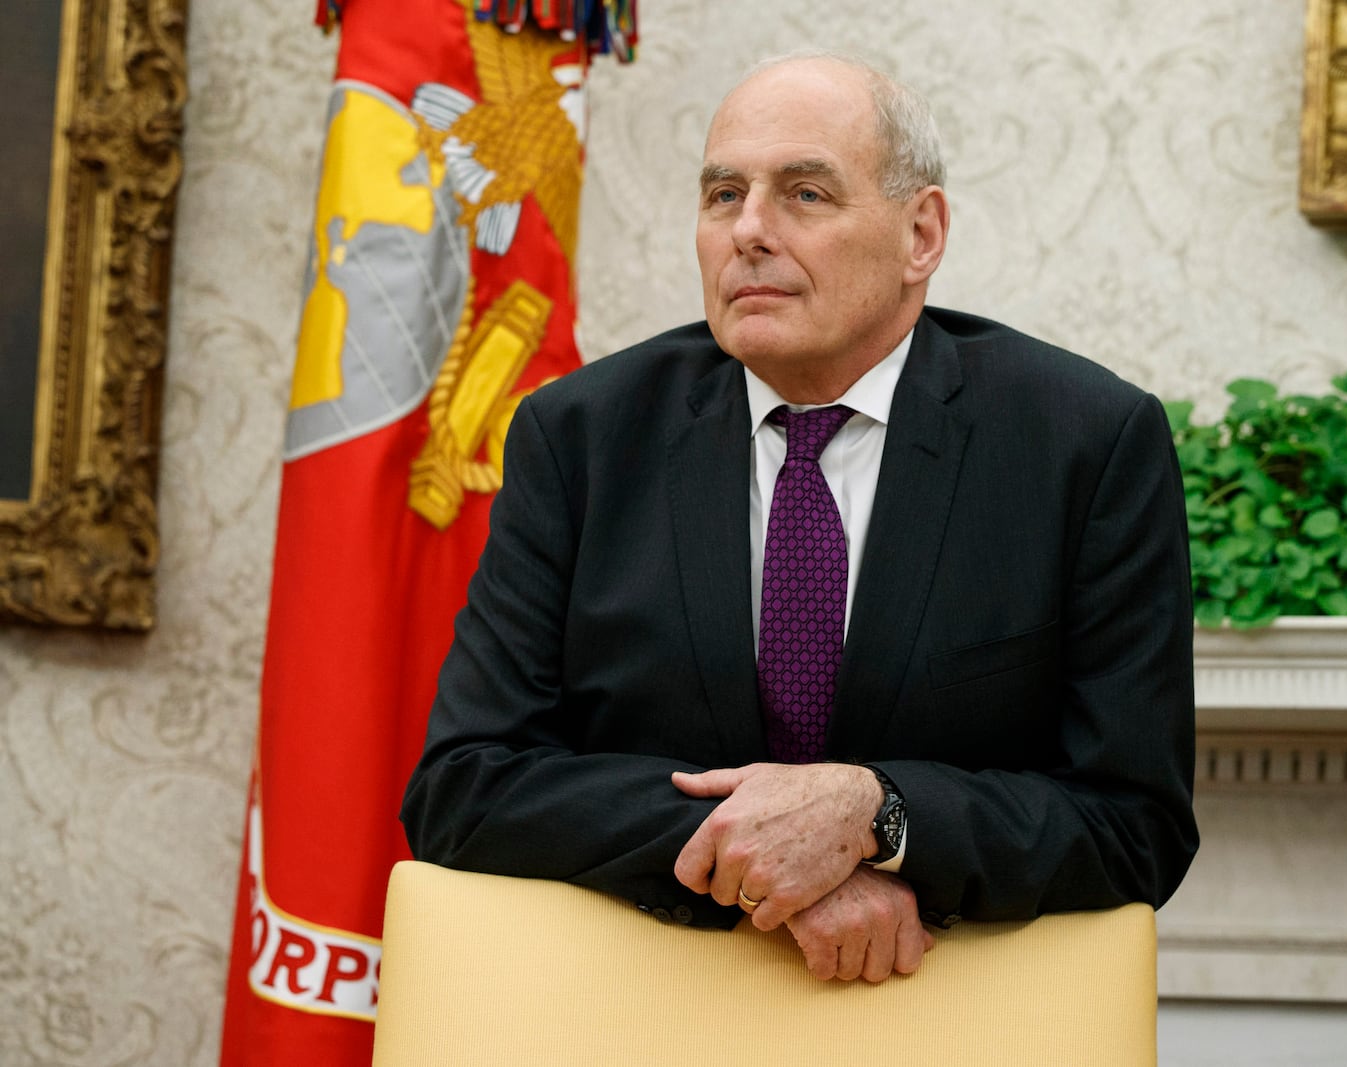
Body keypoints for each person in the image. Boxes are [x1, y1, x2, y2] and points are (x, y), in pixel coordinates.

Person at [401, 51, 1198, 985]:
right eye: (723, 194)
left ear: (921, 234)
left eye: (805, 194)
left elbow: (1134, 820)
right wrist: (774, 855)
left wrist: (880, 816)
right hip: (644, 1003)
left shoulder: (1083, 443)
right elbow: (465, 785)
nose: (748, 231)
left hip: (942, 1011)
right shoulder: (580, 437)